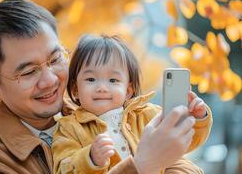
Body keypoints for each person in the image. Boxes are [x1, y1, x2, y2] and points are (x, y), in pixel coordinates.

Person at [0, 0, 210, 174]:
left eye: (56, 59)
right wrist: (142, 165)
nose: (51, 80)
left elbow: (186, 165)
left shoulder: (110, 114)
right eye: (29, 71)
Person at [52, 34, 213, 173]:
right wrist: (89, 158)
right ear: (75, 90)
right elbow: (61, 167)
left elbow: (183, 141)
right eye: (91, 79)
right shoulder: (69, 128)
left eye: (113, 80)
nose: (102, 87)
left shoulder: (146, 115)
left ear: (128, 90)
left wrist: (198, 118)